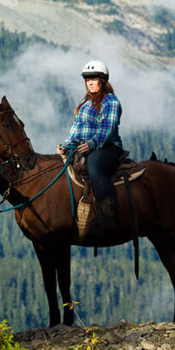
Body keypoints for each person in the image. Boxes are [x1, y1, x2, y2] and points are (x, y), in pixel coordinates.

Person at [57, 60, 123, 233]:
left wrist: (91, 144)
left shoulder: (111, 101)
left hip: (107, 147)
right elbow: (76, 128)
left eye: (94, 79)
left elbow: (107, 130)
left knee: (94, 169)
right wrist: (65, 146)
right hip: (84, 147)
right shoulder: (85, 104)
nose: (90, 83)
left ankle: (107, 215)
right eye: (87, 80)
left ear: (103, 81)